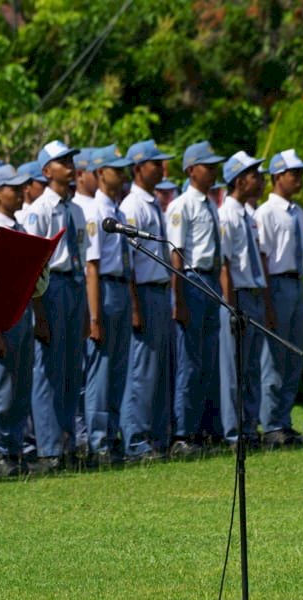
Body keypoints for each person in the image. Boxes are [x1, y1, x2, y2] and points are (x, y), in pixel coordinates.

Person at [23, 140, 88, 472]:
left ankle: (68, 441)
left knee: (71, 367)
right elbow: (34, 267)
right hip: (51, 287)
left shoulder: (76, 210)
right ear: (46, 171)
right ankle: (48, 447)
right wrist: (40, 314)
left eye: (71, 160)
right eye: (62, 162)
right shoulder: (39, 211)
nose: (69, 166)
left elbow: (84, 259)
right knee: (48, 369)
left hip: (74, 285)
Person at [0, 164, 45, 477]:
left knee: (20, 385)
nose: (20, 193)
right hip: (2, 316)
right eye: (13, 189)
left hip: (21, 313)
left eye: (21, 188)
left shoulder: (20, 225)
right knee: (1, 388)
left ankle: (15, 448)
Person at [166, 141, 227, 458]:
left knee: (206, 361)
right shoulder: (182, 206)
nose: (213, 170)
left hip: (211, 280)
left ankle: (202, 428)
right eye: (208, 165)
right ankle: (183, 433)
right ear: (191, 170)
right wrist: (179, 299)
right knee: (189, 362)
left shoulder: (210, 204)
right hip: (192, 280)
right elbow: (176, 255)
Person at [119, 140, 175, 462]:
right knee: (141, 369)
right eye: (156, 163)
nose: (162, 168)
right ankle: (136, 440)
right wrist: (135, 306)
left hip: (159, 289)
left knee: (158, 368)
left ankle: (154, 436)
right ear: (139, 168)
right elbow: (127, 262)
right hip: (143, 291)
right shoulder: (132, 206)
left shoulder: (153, 203)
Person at [255, 149, 303, 447]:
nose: (299, 179)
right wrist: (267, 302)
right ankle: (271, 423)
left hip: (295, 282)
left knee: (292, 356)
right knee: (273, 359)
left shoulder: (298, 212)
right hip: (276, 284)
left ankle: (285, 420)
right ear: (278, 177)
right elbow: (264, 258)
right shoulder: (266, 213)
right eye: (294, 174)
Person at [81, 145, 133, 465]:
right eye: (116, 169)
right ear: (101, 173)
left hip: (121, 287)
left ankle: (112, 435)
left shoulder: (119, 211)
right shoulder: (95, 212)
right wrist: (94, 316)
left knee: (118, 368)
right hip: (104, 289)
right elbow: (92, 266)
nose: (122, 174)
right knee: (100, 370)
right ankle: (98, 440)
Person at [217, 152, 273, 446]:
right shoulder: (226, 215)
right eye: (255, 175)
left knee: (251, 367)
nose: (261, 181)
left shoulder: (249, 216)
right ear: (239, 181)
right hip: (237, 296)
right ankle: (235, 432)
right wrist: (229, 306)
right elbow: (225, 264)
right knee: (234, 368)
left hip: (254, 294)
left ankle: (250, 427)